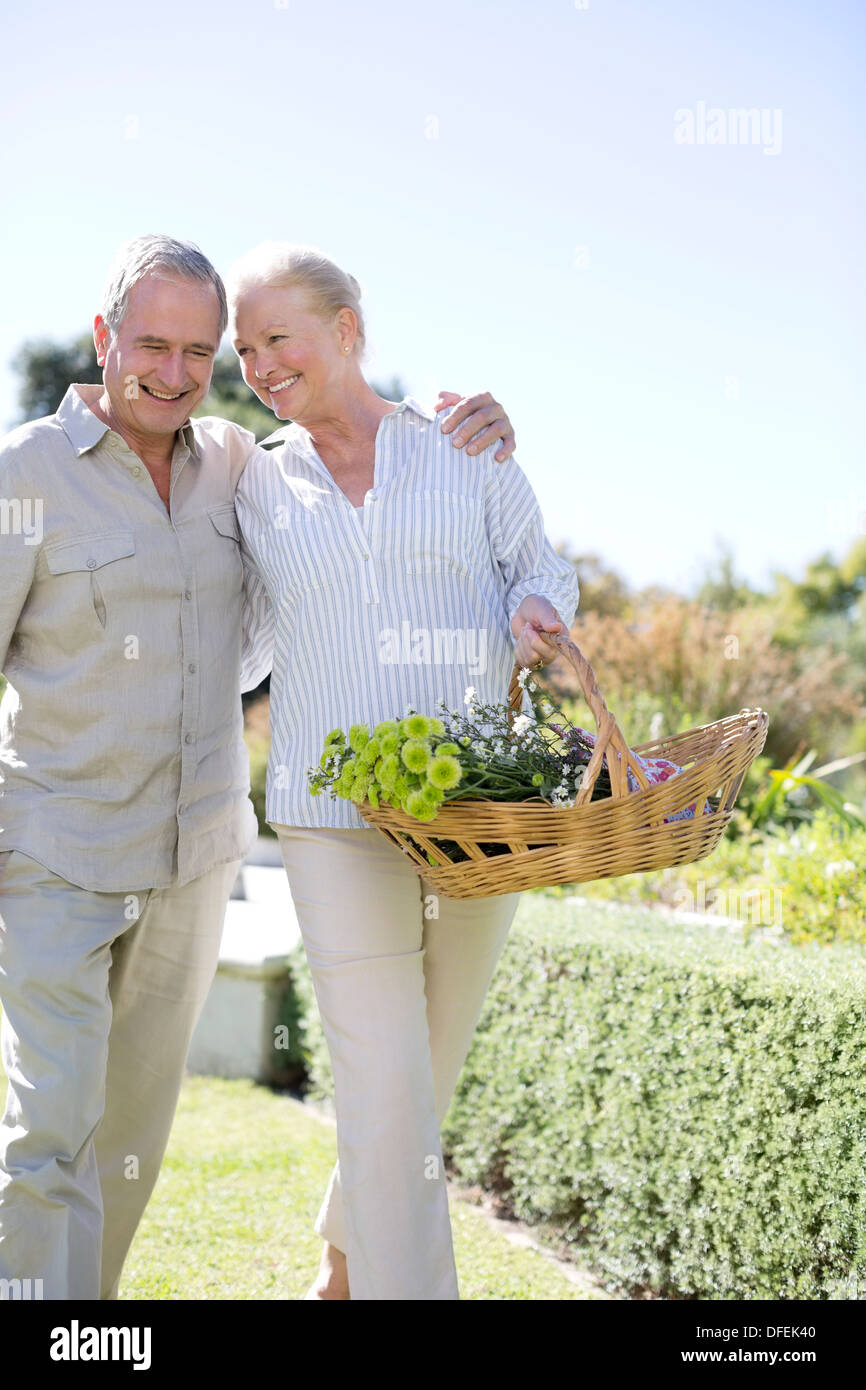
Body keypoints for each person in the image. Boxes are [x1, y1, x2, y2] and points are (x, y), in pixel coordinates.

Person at [0, 233, 515, 1300]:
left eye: (200, 352)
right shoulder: (24, 475)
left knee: (128, 1134)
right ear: (103, 338)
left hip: (193, 858)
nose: (176, 374)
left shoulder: (235, 465)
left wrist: (480, 433)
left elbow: (351, 494)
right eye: (152, 346)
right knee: (45, 1131)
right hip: (52, 849)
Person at [229, 242, 580, 1300]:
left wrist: (537, 614)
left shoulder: (465, 449)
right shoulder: (251, 481)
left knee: (420, 1065)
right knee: (381, 1068)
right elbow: (241, 641)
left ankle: (344, 1264)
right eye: (243, 349)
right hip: (332, 812)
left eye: (277, 337)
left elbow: (541, 567)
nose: (258, 363)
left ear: (346, 330)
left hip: (480, 809)